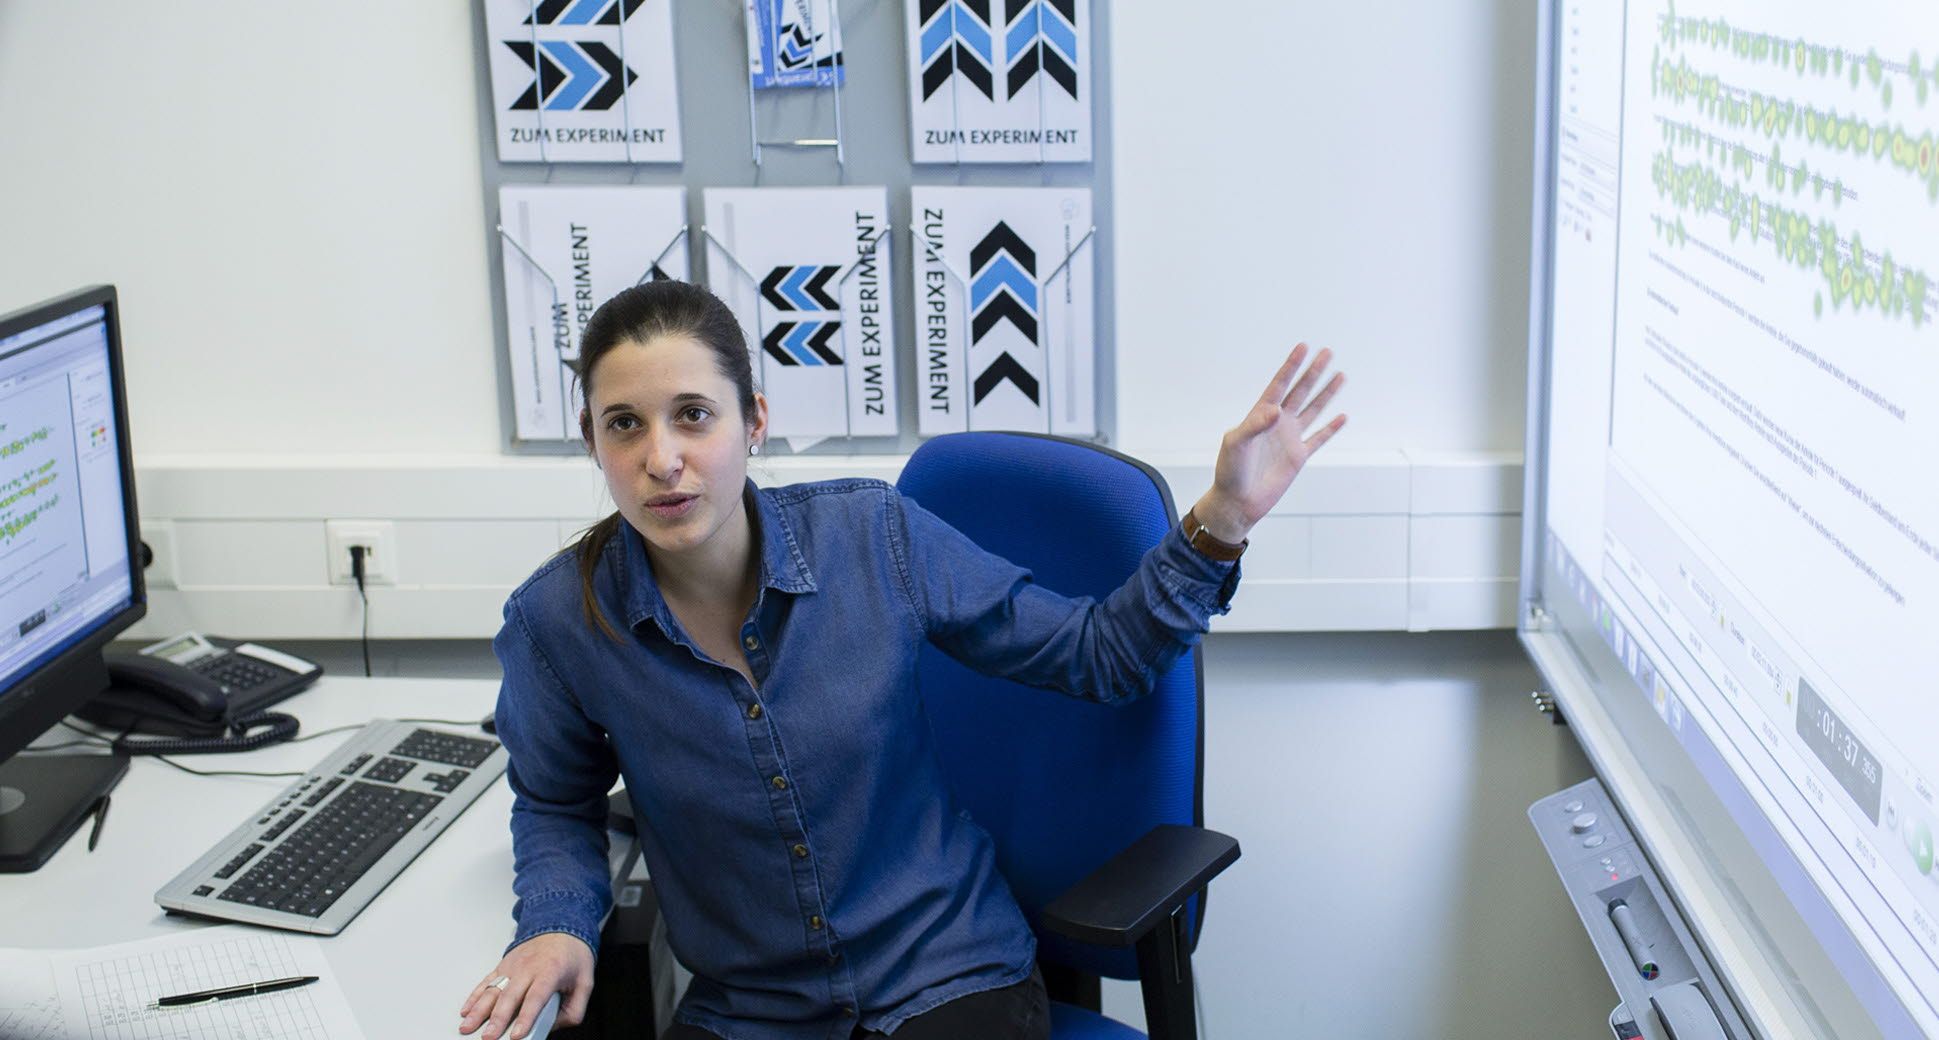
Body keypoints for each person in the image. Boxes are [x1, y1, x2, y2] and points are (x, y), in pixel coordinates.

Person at [457, 280, 1346, 1040]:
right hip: (754, 1012)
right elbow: (554, 802)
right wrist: (555, 926)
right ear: (592, 443)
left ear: (753, 420)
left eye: (694, 415)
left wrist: (1223, 519)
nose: (662, 459)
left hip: (948, 975)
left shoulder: (870, 537)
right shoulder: (556, 624)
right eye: (624, 426)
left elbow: (1101, 656)